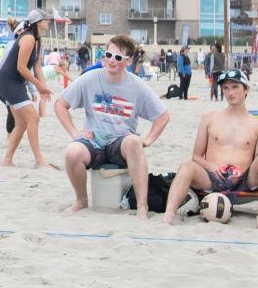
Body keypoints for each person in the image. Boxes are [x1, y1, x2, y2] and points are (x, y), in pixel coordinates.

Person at [55, 34, 171, 218]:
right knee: (72, 152)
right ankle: (82, 200)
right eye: (107, 55)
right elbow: (60, 105)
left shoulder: (137, 86)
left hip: (121, 142)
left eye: (118, 57)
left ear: (128, 61)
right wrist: (75, 133)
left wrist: (148, 139)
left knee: (134, 142)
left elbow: (163, 115)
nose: (111, 61)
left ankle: (142, 206)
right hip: (95, 141)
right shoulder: (89, 79)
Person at [161, 70, 258, 230]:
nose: (230, 92)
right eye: (226, 88)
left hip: (243, 180)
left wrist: (242, 171)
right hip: (211, 176)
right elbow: (196, 156)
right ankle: (169, 215)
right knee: (186, 166)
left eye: (235, 87)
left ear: (246, 89)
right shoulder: (209, 118)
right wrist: (210, 166)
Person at [0, 10, 59, 169]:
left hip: (16, 82)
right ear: (38, 22)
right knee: (33, 118)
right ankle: (39, 160)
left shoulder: (38, 41)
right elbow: (21, 67)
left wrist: (43, 87)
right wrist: (38, 85)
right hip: (8, 82)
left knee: (21, 124)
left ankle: (7, 160)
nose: (48, 22)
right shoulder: (28, 38)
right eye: (46, 19)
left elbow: (37, 66)